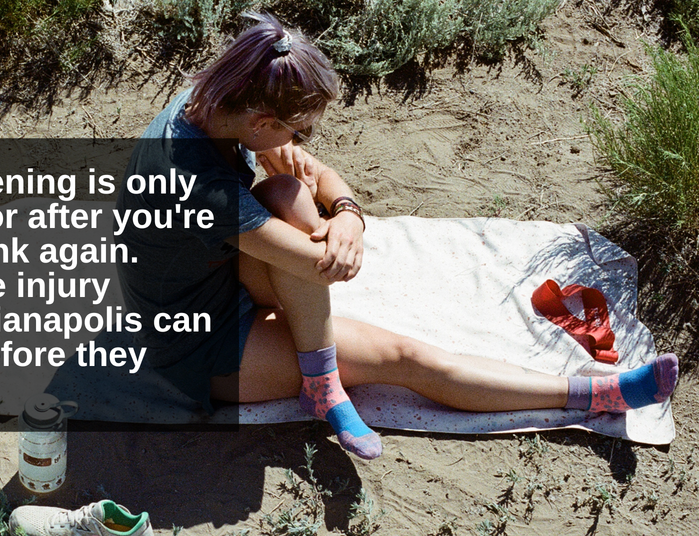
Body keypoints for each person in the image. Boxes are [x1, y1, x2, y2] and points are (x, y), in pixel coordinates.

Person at [115, 13, 679, 460]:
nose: (303, 136)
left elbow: (317, 179)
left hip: (212, 282)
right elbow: (322, 264)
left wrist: (349, 214)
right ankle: (594, 395)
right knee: (408, 358)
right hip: (194, 344)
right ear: (261, 122)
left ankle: (318, 366)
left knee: (283, 194)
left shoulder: (217, 104)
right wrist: (334, 237)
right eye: (298, 126)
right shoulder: (195, 183)